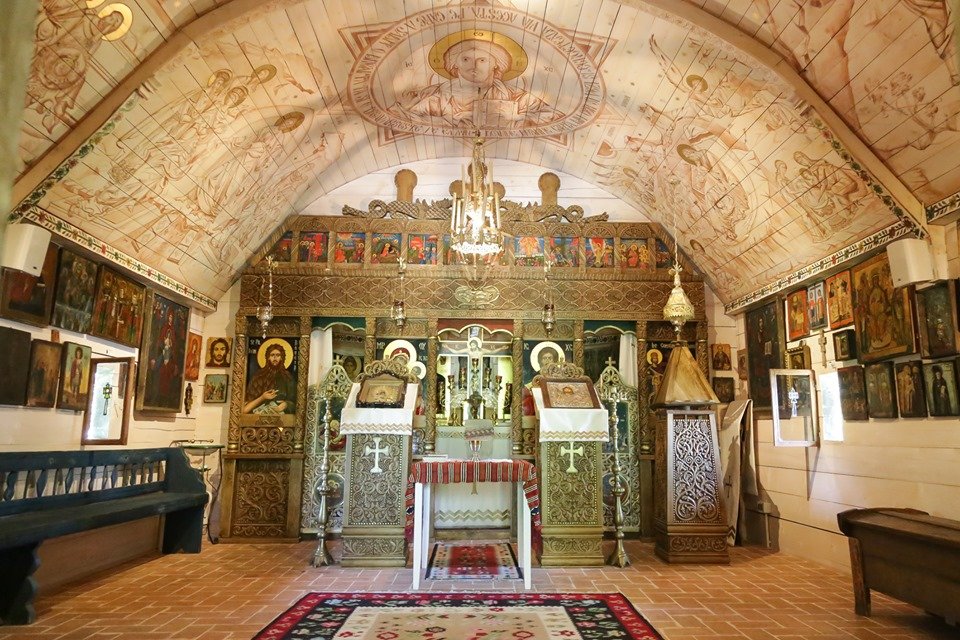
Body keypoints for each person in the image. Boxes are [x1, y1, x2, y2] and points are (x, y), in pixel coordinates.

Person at [389, 34, 560, 129]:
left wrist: (515, 119)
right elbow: (405, 117)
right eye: (466, 59)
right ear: (455, 64)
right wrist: (454, 121)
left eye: (483, 60)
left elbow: (552, 116)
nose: (474, 65)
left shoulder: (514, 95)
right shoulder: (437, 96)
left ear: (495, 65)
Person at [243, 342, 296, 414]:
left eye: (278, 355)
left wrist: (286, 405)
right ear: (268, 357)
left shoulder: (288, 377)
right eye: (272, 355)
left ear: (281, 358)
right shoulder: (258, 376)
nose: (275, 358)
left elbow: (295, 402)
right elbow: (245, 409)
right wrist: (263, 397)